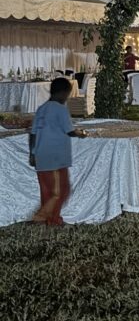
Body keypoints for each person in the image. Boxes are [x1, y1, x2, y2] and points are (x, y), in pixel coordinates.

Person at [28, 78, 87, 226]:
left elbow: (33, 134)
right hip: (56, 158)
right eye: (67, 94)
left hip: (41, 157)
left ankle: (49, 220)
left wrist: (32, 153)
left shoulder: (41, 109)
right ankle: (44, 218)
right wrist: (80, 133)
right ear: (63, 93)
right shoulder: (61, 109)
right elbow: (69, 131)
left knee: (47, 192)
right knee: (61, 191)